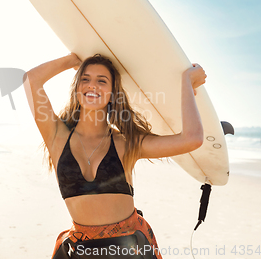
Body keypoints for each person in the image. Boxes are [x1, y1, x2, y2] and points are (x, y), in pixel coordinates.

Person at [23, 53, 206, 259]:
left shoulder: (126, 143)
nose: (92, 85)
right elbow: (31, 80)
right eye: (85, 79)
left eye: (102, 81)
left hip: (128, 250)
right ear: (76, 88)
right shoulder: (56, 137)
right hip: (82, 252)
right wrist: (74, 59)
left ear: (113, 93)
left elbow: (192, 139)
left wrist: (187, 83)